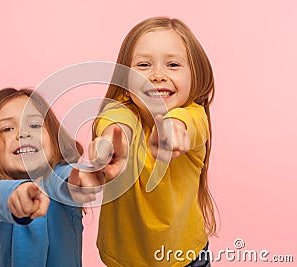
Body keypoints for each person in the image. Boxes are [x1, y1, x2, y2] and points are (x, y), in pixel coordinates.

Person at [90, 17, 217, 266]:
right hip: (124, 260)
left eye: (172, 64)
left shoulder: (192, 116)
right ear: (125, 83)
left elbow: (187, 125)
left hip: (186, 257)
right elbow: (115, 126)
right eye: (144, 65)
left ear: (195, 76)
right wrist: (109, 146)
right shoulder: (120, 114)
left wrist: (174, 130)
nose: (158, 75)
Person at [0, 88, 101, 267]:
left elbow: (70, 177)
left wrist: (85, 178)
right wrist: (17, 195)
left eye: (35, 125)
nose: (23, 134)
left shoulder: (58, 177)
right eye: (7, 129)